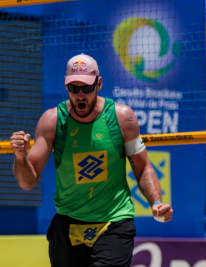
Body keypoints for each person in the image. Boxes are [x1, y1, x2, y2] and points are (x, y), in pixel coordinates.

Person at [10, 53, 173, 267]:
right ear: (65, 85)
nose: (79, 95)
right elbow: (27, 182)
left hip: (114, 221)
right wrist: (20, 157)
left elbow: (142, 168)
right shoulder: (52, 121)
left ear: (99, 83)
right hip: (68, 223)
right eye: (73, 88)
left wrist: (157, 202)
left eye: (86, 88)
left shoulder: (123, 117)